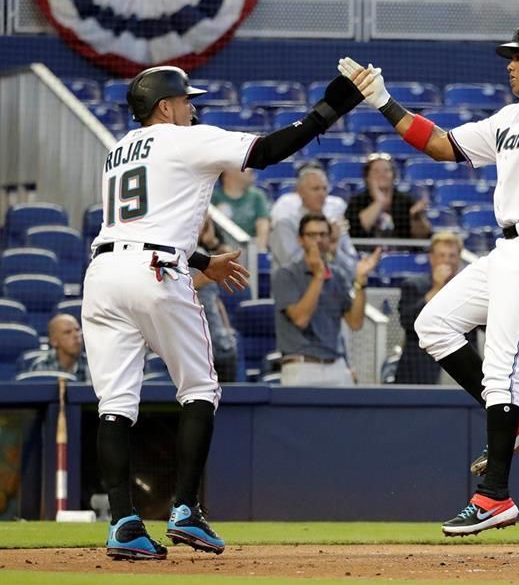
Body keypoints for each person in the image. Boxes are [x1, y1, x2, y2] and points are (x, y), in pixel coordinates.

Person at [82, 65, 364, 559]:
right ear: (164, 107)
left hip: (104, 274)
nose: (192, 107)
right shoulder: (183, 138)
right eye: (186, 100)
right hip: (154, 271)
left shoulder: (115, 151)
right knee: (199, 388)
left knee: (115, 405)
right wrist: (330, 109)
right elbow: (268, 151)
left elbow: (139, 224)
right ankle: (185, 510)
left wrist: (201, 259)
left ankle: (124, 522)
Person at [339, 21, 519, 536]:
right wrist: (385, 102)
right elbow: (440, 144)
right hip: (510, 246)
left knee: (503, 367)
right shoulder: (509, 116)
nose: (509, 63)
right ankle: (514, 422)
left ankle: (494, 496)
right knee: (433, 324)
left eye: (518, 55)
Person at [272, 214, 380, 386]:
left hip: (336, 365)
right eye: (312, 235)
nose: (318, 240)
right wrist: (319, 276)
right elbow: (301, 319)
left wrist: (360, 280)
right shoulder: (287, 275)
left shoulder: (338, 275)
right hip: (301, 365)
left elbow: (355, 322)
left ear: (330, 239)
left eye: (323, 235)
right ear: (301, 240)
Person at [394, 231, 463, 385]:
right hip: (419, 372)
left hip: (461, 369)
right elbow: (409, 322)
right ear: (432, 258)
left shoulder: (467, 289)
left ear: (459, 258)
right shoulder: (413, 286)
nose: (447, 261)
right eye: (442, 255)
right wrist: (437, 287)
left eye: (452, 255)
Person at [270, 164, 358, 279]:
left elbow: (353, 269)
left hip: (332, 292)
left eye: (324, 189)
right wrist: (327, 243)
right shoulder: (286, 225)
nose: (322, 194)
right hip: (295, 292)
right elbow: (291, 265)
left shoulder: (335, 225)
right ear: (300, 192)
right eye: (316, 189)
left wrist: (334, 250)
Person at [192, 215, 238, 383]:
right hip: (194, 341)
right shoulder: (173, 254)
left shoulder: (204, 253)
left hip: (219, 341)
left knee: (228, 402)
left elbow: (216, 300)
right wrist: (205, 275)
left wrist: (226, 331)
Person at [344, 153, 432, 239]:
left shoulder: (406, 201)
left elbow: (422, 237)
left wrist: (416, 217)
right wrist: (379, 202)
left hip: (401, 252)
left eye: (386, 170)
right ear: (367, 177)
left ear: (393, 175)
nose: (382, 175)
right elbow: (354, 232)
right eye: (376, 171)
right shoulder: (357, 201)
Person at [211, 168, 270, 251]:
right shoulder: (212, 198)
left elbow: (262, 228)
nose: (250, 169)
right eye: (244, 166)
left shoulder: (257, 196)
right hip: (219, 253)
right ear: (227, 171)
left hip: (249, 252)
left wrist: (259, 253)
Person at [27, 314, 90, 381]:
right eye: (67, 332)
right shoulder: (41, 367)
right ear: (54, 341)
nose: (76, 335)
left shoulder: (91, 364)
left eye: (77, 330)